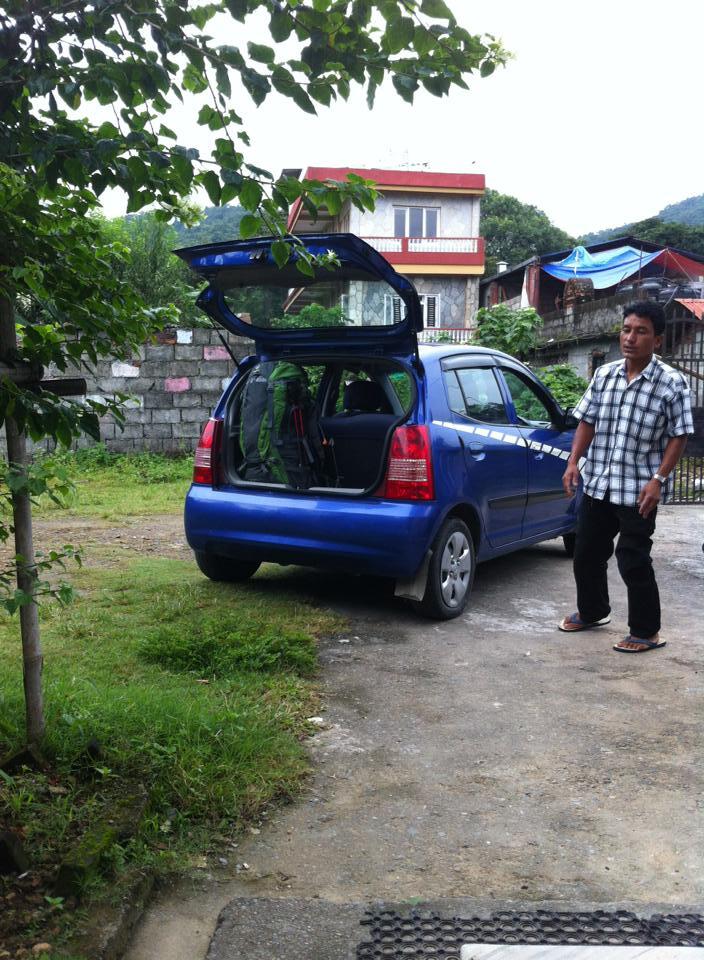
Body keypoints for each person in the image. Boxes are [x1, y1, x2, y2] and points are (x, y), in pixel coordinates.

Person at [559, 301, 694, 653]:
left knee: (633, 559)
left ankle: (646, 631)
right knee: (586, 554)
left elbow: (679, 435)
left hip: (638, 489)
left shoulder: (672, 384)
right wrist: (574, 461)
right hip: (600, 483)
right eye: (627, 329)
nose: (630, 338)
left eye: (641, 331)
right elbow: (587, 420)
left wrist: (659, 480)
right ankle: (592, 612)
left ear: (658, 340)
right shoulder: (605, 374)